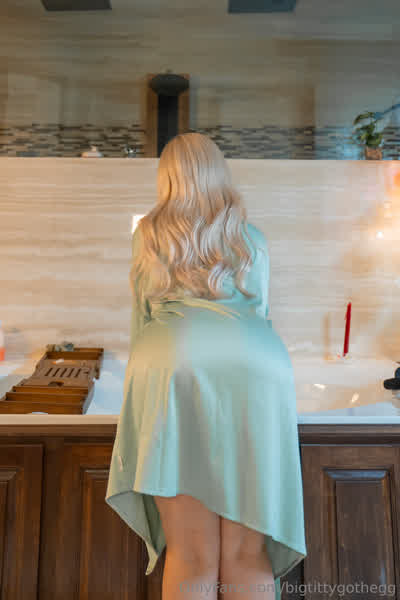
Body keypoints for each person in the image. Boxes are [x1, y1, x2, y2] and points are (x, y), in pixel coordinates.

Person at [105, 132, 307, 600]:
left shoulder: (149, 234)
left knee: (192, 554)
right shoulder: (251, 238)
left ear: (168, 178)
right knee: (247, 555)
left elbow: (144, 320)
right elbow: (261, 314)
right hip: (257, 371)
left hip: (172, 365)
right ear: (220, 172)